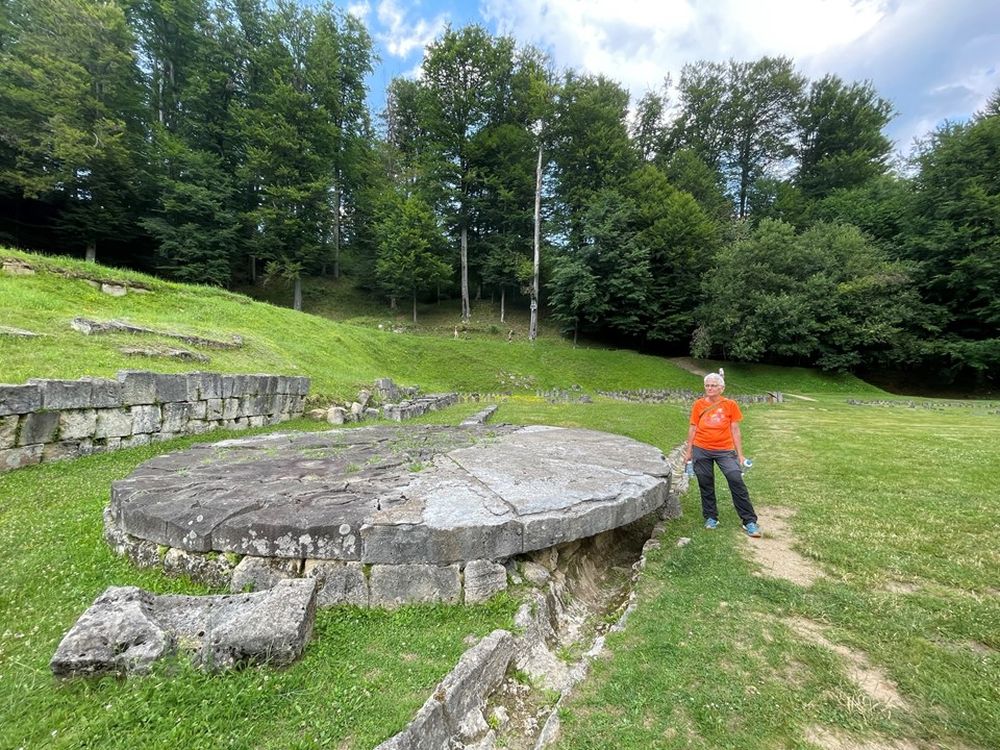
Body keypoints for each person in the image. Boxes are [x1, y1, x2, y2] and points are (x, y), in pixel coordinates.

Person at [684, 371, 762, 537]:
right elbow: (693, 427)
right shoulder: (698, 404)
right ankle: (711, 517)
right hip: (701, 448)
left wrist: (740, 455)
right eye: (707, 385)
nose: (710, 388)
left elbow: (735, 429)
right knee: (705, 482)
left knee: (735, 479)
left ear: (722, 388)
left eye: (713, 385)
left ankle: (749, 521)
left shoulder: (730, 405)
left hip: (725, 450)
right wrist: (688, 452)